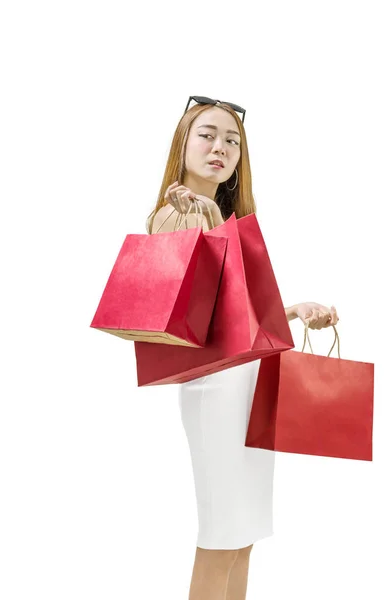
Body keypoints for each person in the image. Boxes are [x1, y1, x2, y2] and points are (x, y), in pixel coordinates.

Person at [146, 97, 340, 600]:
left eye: (232, 140)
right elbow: (190, 307)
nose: (221, 148)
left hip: (249, 381)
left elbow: (241, 315)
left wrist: (297, 310)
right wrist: (203, 218)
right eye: (207, 135)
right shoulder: (173, 214)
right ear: (183, 144)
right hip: (215, 387)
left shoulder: (225, 215)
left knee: (243, 537)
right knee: (220, 536)